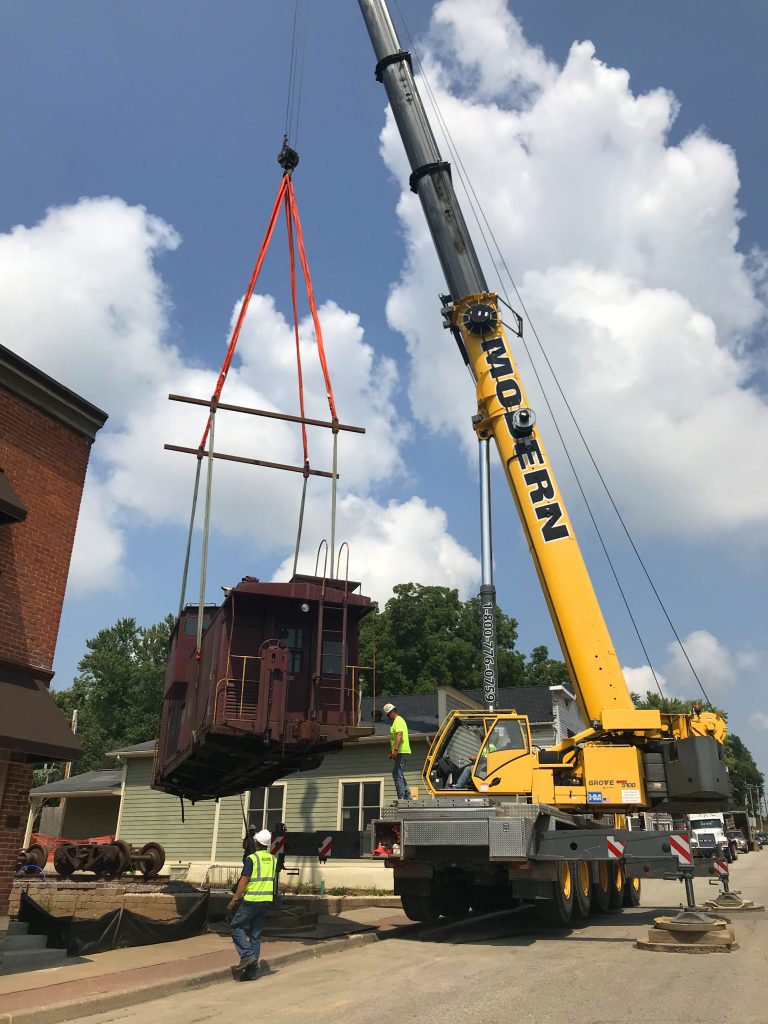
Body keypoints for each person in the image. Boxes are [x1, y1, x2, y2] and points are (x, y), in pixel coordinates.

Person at [227, 827, 276, 981]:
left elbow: (245, 880)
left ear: (256, 842)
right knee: (255, 934)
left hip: (252, 900)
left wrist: (235, 898)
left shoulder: (252, 859)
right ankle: (252, 971)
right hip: (265, 901)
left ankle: (247, 956)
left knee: (235, 926)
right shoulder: (274, 859)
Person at [383, 702, 411, 799]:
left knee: (398, 773)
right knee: (397, 773)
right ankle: (407, 795)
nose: (388, 717)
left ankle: (402, 797)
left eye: (388, 715)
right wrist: (393, 752)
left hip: (401, 751)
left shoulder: (398, 720)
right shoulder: (397, 721)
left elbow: (399, 735)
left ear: (392, 712)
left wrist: (395, 750)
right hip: (399, 751)